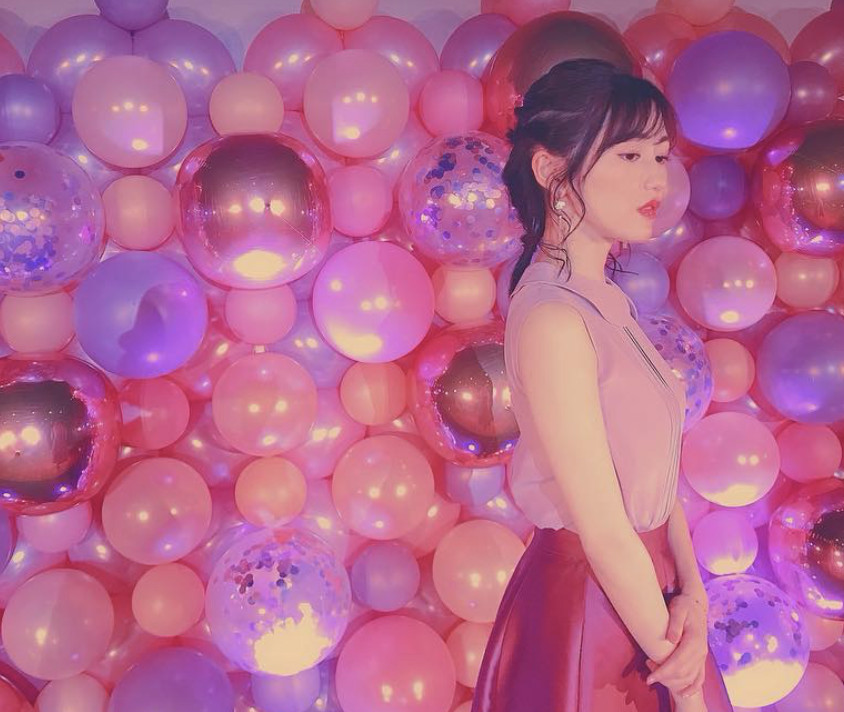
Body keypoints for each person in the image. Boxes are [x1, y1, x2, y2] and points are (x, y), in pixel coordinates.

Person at [471, 59, 735, 712]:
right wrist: (686, 685)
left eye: (660, 156)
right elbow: (605, 529)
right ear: (550, 169)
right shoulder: (553, 318)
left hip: (656, 597)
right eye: (629, 155)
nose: (656, 179)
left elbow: (655, 478)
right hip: (593, 607)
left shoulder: (606, 301)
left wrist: (694, 595)